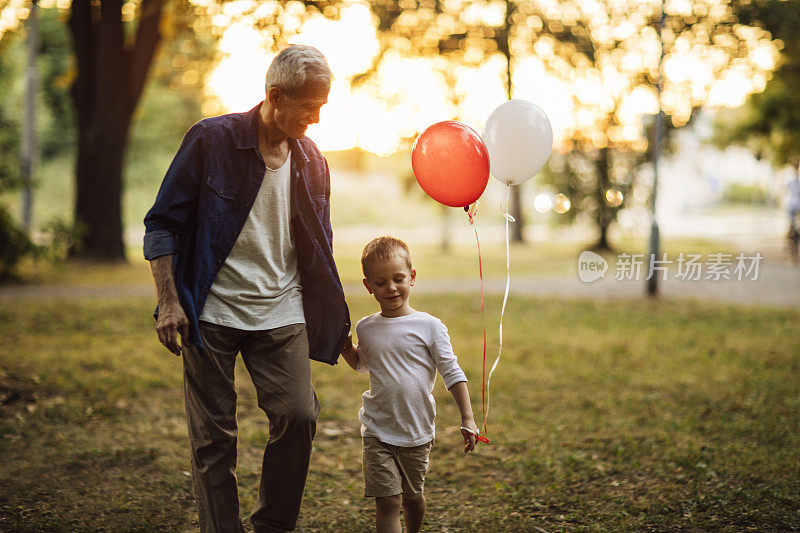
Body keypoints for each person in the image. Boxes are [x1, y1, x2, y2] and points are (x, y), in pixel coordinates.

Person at [143, 45, 350, 533]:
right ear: (275, 95)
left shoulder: (312, 160)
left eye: (323, 107)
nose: (318, 119)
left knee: (298, 416)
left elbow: (319, 248)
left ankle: (273, 526)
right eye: (310, 107)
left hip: (281, 311)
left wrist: (334, 326)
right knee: (214, 439)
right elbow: (162, 223)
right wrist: (169, 301)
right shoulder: (211, 140)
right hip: (209, 310)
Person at [339, 236, 481, 533]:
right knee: (388, 501)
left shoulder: (429, 327)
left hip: (416, 431)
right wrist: (345, 347)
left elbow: (452, 372)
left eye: (398, 278)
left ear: (412, 277)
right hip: (378, 429)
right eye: (381, 282)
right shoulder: (367, 327)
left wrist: (467, 417)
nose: (390, 287)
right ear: (368, 286)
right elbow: (362, 364)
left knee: (412, 497)